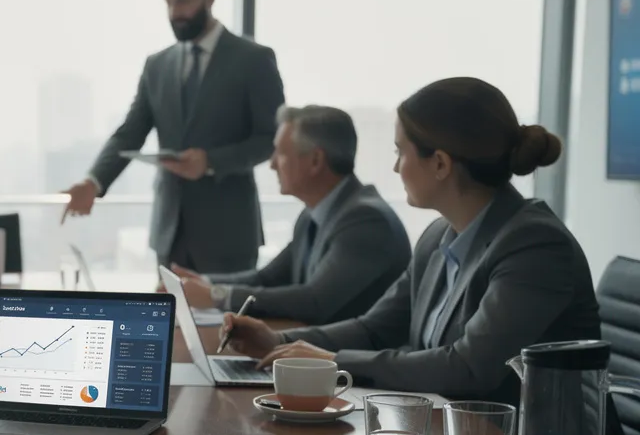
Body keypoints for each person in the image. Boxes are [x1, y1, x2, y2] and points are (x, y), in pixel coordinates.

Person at [221, 77, 600, 403]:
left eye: (401, 152)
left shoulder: (535, 247)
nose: (394, 167)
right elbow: (375, 328)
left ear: (440, 164)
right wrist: (280, 341)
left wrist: (334, 362)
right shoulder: (438, 236)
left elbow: (469, 368)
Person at [61, 0, 285, 273]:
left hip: (229, 236)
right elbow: (130, 132)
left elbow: (271, 139)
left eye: (183, 1)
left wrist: (209, 162)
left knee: (223, 322)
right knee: (168, 323)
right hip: (169, 234)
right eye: (168, 3)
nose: (174, 13)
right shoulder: (157, 65)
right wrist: (93, 181)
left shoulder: (254, 60)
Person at [170, 105, 411, 324]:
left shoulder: (366, 220)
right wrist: (205, 283)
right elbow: (267, 278)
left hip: (347, 367)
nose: (272, 164)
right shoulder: (313, 215)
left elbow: (315, 301)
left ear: (315, 161)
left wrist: (216, 296)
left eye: (281, 153)